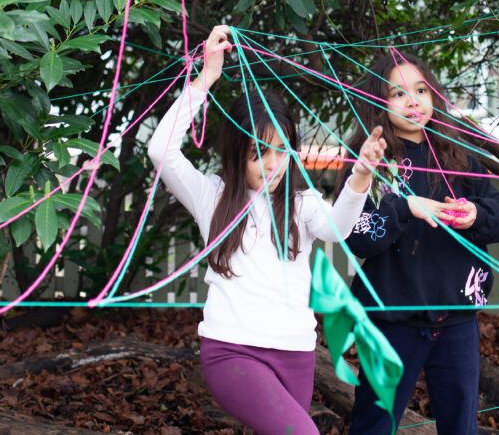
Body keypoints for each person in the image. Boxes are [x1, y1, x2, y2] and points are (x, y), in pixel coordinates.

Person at [147, 25, 387, 435]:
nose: (273, 163)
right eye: (260, 151)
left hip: (295, 352)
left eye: (281, 150)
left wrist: (361, 177)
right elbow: (160, 151)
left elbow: (338, 228)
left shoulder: (301, 204)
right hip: (231, 351)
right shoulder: (212, 196)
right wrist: (205, 79)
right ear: (238, 150)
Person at [342, 51, 499, 435]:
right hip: (391, 322)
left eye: (420, 90)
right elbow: (358, 237)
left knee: (459, 426)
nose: (413, 101)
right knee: (374, 423)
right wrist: (404, 208)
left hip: (456, 320)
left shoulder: (462, 156)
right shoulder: (369, 160)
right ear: (378, 104)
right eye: (398, 94)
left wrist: (475, 215)